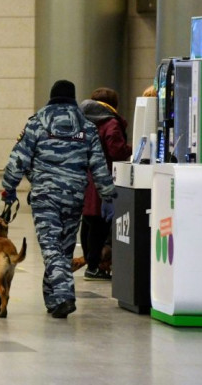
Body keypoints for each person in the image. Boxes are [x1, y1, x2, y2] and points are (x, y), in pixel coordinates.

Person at [1, 80, 116, 319]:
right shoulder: (87, 127)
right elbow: (99, 165)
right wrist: (107, 195)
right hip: (74, 197)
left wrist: (9, 188)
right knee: (62, 249)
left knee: (50, 247)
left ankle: (63, 295)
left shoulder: (37, 123)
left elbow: (18, 159)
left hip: (45, 196)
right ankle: (53, 301)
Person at [79, 88, 132, 280]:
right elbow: (116, 150)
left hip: (83, 177)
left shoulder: (82, 120)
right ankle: (94, 266)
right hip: (102, 179)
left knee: (87, 223)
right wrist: (133, 148)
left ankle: (89, 262)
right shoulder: (110, 122)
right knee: (100, 225)